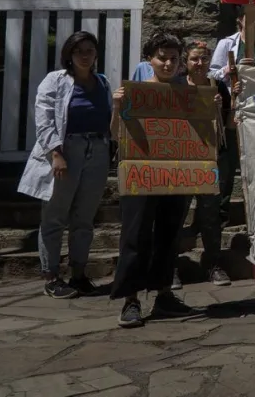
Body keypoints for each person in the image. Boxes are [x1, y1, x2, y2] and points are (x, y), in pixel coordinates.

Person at [18, 31, 114, 299]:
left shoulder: (103, 83)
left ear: (96, 54)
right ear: (69, 55)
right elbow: (44, 118)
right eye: (79, 51)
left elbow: (110, 118)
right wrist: (55, 153)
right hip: (66, 150)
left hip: (97, 150)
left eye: (90, 50)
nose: (85, 55)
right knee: (55, 216)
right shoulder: (55, 81)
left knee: (84, 217)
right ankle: (51, 276)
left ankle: (79, 274)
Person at [111, 34, 198, 327]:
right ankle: (130, 300)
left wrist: (208, 106)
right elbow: (115, 134)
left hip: (176, 174)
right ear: (150, 59)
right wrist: (116, 107)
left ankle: (163, 295)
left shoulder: (189, 92)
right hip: (141, 174)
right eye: (162, 57)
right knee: (135, 235)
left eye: (174, 58)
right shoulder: (134, 92)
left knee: (169, 234)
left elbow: (203, 135)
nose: (169, 63)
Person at [177, 41, 238, 287]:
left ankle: (213, 264)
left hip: (211, 158)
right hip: (182, 159)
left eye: (203, 58)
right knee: (176, 214)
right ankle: (170, 267)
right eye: (194, 59)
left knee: (211, 214)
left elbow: (230, 126)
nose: (199, 63)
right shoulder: (176, 87)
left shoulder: (218, 87)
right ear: (186, 62)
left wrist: (231, 101)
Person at [209, 5, 255, 85]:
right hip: (236, 95)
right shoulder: (226, 43)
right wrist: (232, 69)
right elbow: (212, 74)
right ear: (240, 19)